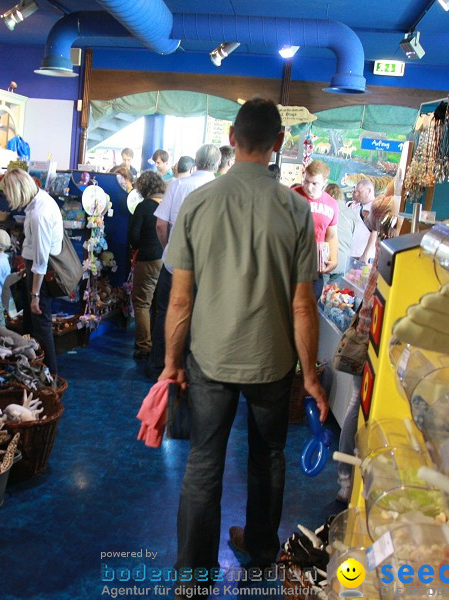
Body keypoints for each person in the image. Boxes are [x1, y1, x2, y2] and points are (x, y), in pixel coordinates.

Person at [158, 99, 327, 599]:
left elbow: (180, 300)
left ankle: (193, 575)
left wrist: (171, 363)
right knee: (268, 457)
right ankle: (258, 548)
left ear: (232, 137)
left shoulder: (199, 203)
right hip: (273, 364)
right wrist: (311, 376)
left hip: (209, 358)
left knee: (204, 463)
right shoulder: (296, 210)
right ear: (278, 143)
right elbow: (303, 307)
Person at [148, 144, 220, 378]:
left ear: (195, 162)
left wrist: (167, 246)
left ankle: (159, 366)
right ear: (217, 165)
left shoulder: (178, 185)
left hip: (174, 263)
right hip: (206, 268)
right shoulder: (221, 190)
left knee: (164, 314)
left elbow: (160, 224)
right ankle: (188, 369)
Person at [1, 168, 62, 375]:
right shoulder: (39, 201)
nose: (8, 200)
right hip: (36, 273)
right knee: (33, 326)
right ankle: (34, 371)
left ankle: (51, 376)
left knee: (41, 328)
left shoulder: (39, 214)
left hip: (40, 278)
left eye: (9, 195)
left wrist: (35, 295)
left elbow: (41, 260)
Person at [127, 170, 167, 360]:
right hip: (166, 259)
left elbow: (133, 235)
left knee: (142, 303)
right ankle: (158, 344)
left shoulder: (144, 207)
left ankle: (144, 346)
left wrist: (136, 248)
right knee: (159, 304)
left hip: (148, 258)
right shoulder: (168, 204)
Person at [292, 160, 339, 299]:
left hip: (315, 269)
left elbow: (331, 236)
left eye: (314, 183)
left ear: (324, 183)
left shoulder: (331, 204)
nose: (309, 187)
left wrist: (334, 259)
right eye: (306, 181)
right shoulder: (291, 196)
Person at [347, 178, 377, 262]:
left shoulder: (375, 209)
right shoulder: (356, 207)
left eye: (360, 192)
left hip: (365, 257)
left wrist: (365, 255)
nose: (356, 194)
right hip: (351, 254)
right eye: (356, 192)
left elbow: (375, 232)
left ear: (369, 191)